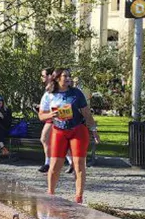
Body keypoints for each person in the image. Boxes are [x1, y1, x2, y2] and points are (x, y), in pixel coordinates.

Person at [38, 68, 101, 204]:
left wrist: (94, 131)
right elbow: (41, 116)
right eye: (65, 76)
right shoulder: (49, 95)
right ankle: (50, 193)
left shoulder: (76, 93)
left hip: (77, 130)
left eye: (69, 76)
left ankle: (78, 198)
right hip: (58, 131)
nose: (68, 78)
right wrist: (51, 115)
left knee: (79, 165)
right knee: (54, 165)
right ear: (57, 78)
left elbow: (87, 114)